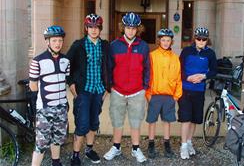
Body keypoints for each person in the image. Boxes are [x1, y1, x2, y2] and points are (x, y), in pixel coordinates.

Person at [103, 12, 150, 163]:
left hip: (137, 91)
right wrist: (110, 86)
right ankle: (116, 147)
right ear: (123, 28)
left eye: (134, 28)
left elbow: (147, 68)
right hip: (118, 90)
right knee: (117, 121)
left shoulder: (143, 46)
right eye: (128, 27)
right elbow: (108, 68)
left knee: (136, 122)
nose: (131, 31)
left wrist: (144, 86)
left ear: (138, 29)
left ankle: (136, 149)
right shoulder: (114, 46)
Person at [66, 14, 110, 165]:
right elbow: (67, 65)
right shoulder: (79, 45)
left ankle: (89, 150)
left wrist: (107, 88)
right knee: (82, 123)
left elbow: (110, 66)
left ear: (100, 29)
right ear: (86, 28)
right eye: (90, 27)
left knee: (93, 122)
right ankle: (75, 155)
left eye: (96, 27)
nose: (93, 30)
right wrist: (72, 86)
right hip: (83, 91)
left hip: (98, 91)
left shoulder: (105, 45)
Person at [29, 25, 70, 166]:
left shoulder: (66, 61)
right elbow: (33, 85)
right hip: (45, 109)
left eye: (60, 40)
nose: (58, 43)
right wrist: (39, 104)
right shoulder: (37, 61)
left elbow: (65, 81)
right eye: (54, 41)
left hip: (61, 107)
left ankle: (56, 162)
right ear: (47, 41)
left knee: (57, 139)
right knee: (41, 143)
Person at [178, 27, 217, 159]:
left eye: (203, 39)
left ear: (207, 40)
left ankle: (189, 142)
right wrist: (187, 78)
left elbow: (213, 71)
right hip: (185, 89)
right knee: (186, 118)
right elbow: (179, 68)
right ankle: (183, 145)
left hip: (199, 90)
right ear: (194, 38)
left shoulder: (210, 54)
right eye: (198, 38)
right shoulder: (186, 51)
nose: (201, 41)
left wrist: (203, 76)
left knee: (194, 119)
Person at [145, 28, 182, 158]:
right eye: (163, 40)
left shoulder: (175, 58)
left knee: (167, 121)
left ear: (171, 42)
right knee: (152, 121)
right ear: (159, 41)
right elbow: (148, 76)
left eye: (168, 40)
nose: (166, 42)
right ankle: (151, 144)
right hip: (154, 95)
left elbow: (178, 78)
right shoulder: (152, 56)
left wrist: (176, 97)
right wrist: (148, 94)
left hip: (169, 96)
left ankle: (167, 144)